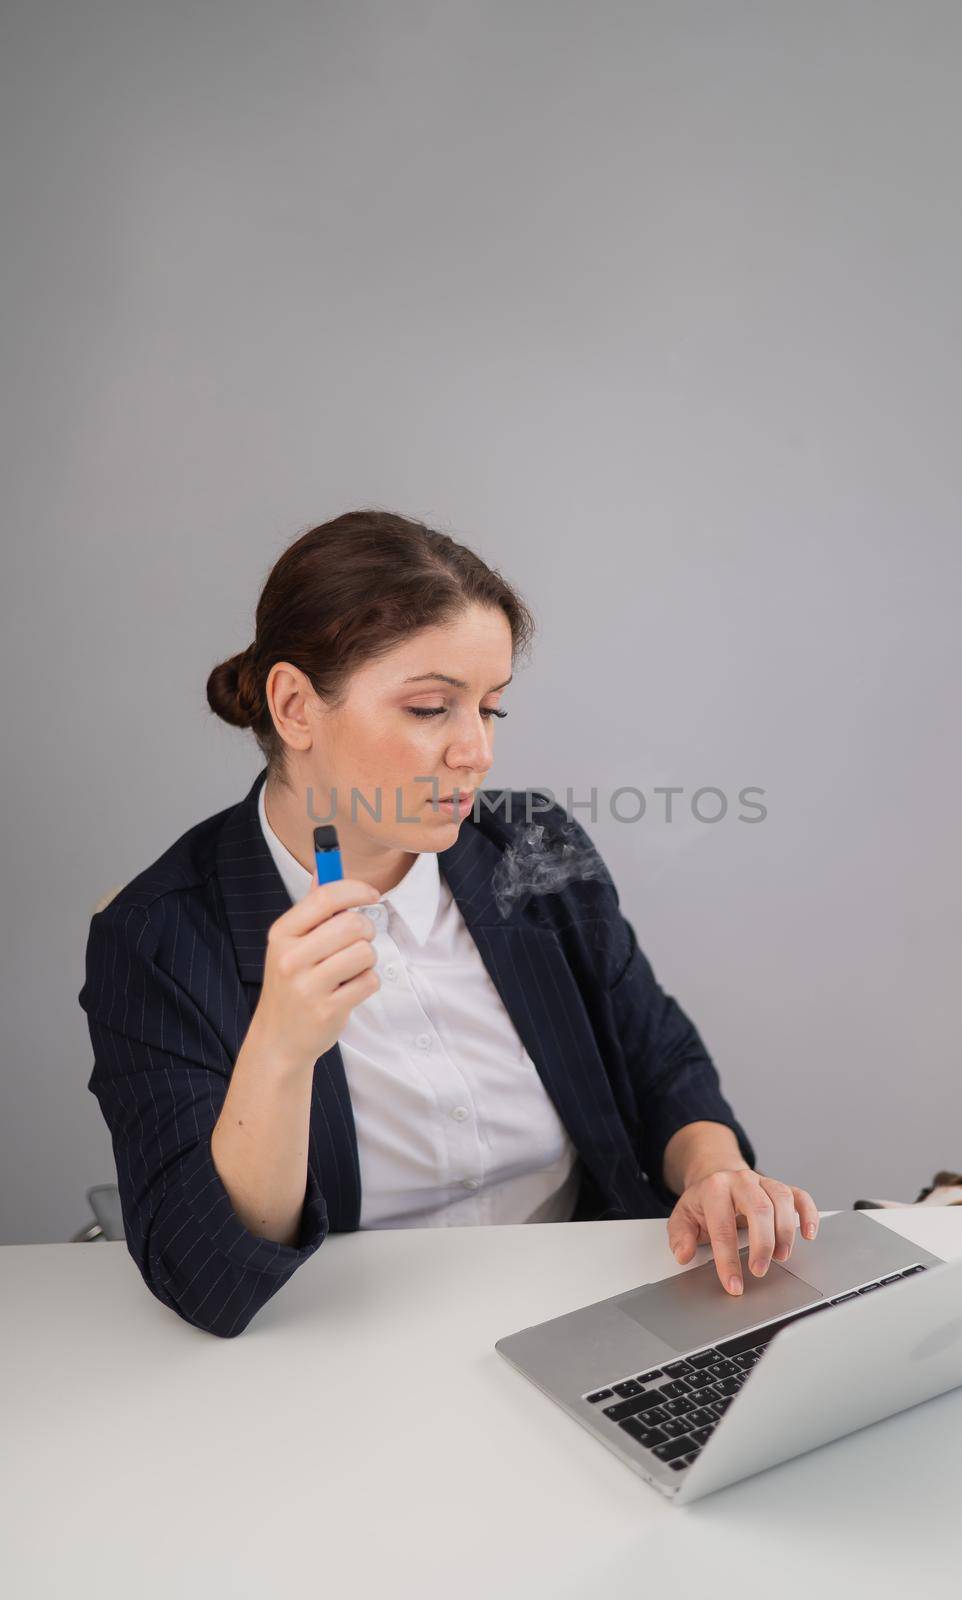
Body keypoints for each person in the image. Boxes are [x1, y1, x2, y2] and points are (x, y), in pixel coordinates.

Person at [78, 509, 818, 1339]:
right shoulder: (157, 938)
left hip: (589, 1315)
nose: (476, 752)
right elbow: (206, 1283)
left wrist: (713, 1171)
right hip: (338, 1351)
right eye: (431, 708)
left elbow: (661, 1062)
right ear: (294, 707)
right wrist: (280, 1050)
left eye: (490, 709)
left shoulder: (531, 849)